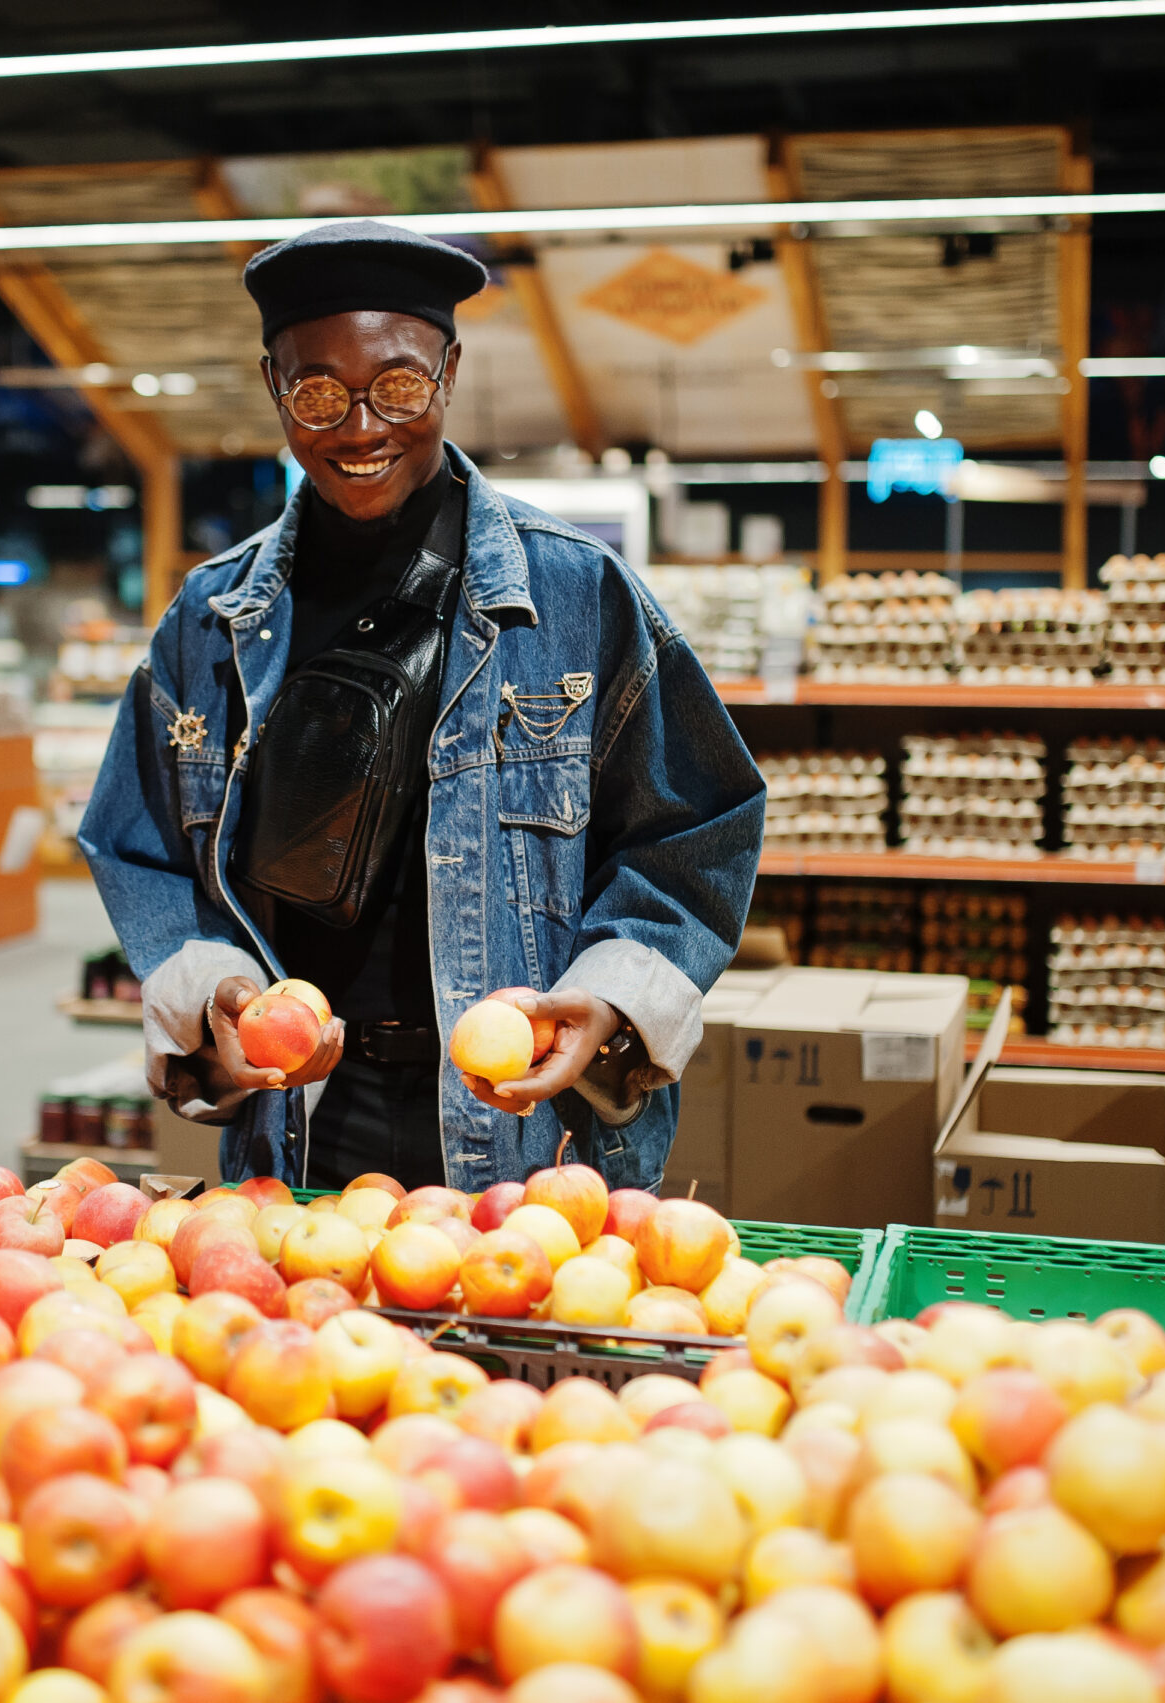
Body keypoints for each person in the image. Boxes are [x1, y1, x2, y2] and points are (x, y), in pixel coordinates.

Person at [80, 219, 764, 1192]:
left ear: (447, 370)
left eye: (397, 384)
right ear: (274, 385)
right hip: (305, 1129)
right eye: (317, 391)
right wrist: (211, 992)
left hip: (531, 1133)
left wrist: (610, 997)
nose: (360, 427)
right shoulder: (210, 624)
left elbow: (699, 824)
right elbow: (135, 841)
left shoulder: (579, 598)